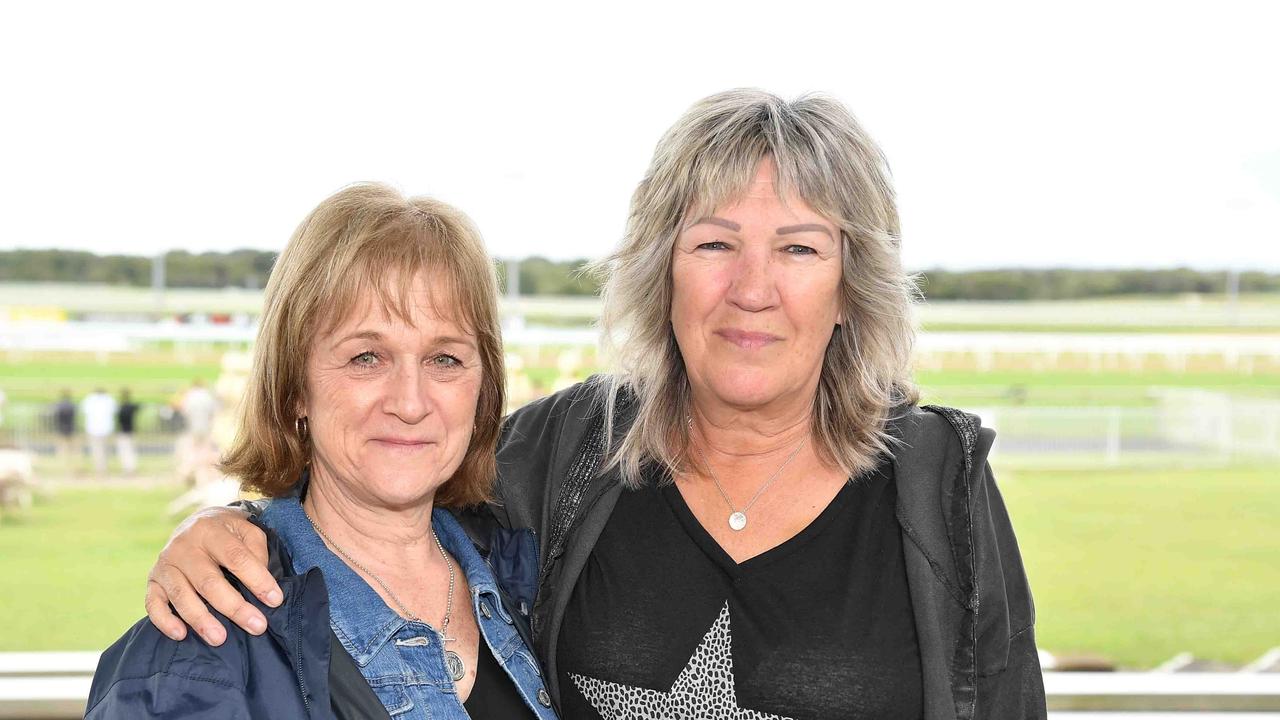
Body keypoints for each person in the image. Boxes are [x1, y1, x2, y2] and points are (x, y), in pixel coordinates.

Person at [141, 90, 1046, 718]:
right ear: (662, 271)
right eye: (715, 244)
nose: (753, 289)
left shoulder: (938, 490)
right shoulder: (566, 452)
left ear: (853, 286)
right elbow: (380, 493)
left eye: (801, 250)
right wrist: (232, 532)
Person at [87, 184, 558, 719]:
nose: (410, 402)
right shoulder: (200, 649)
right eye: (366, 357)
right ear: (295, 388)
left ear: (483, 389)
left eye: (444, 359)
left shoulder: (536, 587)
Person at [81, 388, 117, 478]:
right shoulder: (109, 400)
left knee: (97, 450)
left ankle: (100, 469)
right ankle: (103, 468)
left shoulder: (89, 399)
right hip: (105, 428)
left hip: (94, 428)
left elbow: (84, 411)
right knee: (105, 449)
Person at [115, 388, 140, 476]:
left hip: (122, 432)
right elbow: (139, 407)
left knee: (124, 451)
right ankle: (131, 468)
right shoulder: (131, 407)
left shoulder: (120, 407)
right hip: (131, 431)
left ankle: (127, 469)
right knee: (131, 451)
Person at [53, 390, 77, 474]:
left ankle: (63, 465)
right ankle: (71, 465)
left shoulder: (59, 405)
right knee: (71, 449)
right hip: (71, 428)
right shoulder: (72, 405)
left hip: (61, 428)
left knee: (62, 448)